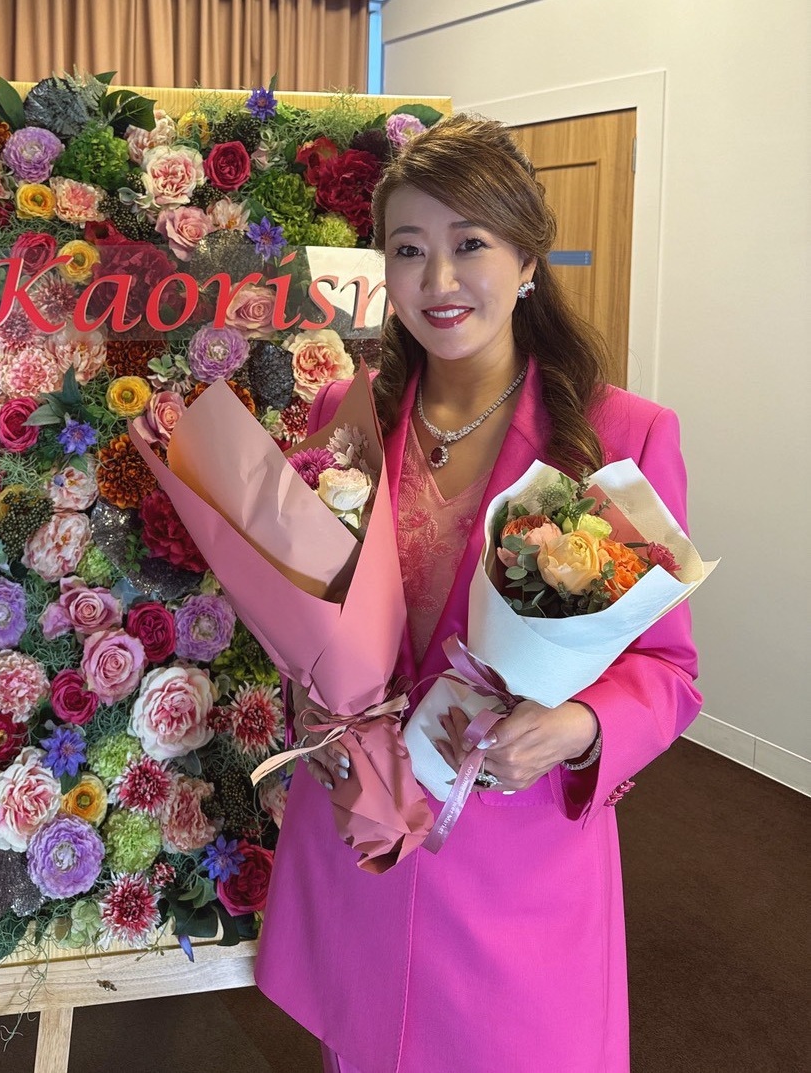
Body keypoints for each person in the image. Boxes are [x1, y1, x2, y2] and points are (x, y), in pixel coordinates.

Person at [253, 114, 702, 1073]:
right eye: (409, 249)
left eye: (470, 244)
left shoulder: (618, 437)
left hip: (513, 859)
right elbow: (308, 606)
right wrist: (315, 711)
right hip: (365, 836)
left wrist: (577, 725)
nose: (439, 280)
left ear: (528, 259)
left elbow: (669, 670)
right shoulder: (348, 411)